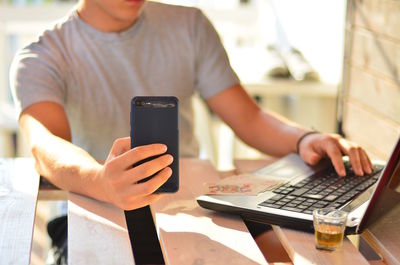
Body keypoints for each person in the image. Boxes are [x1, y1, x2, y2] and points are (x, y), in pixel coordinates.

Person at [10, 0, 373, 264]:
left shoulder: (189, 25)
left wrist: (305, 139)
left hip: (195, 206)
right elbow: (44, 143)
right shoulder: (42, 55)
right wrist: (101, 180)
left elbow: (249, 118)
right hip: (89, 211)